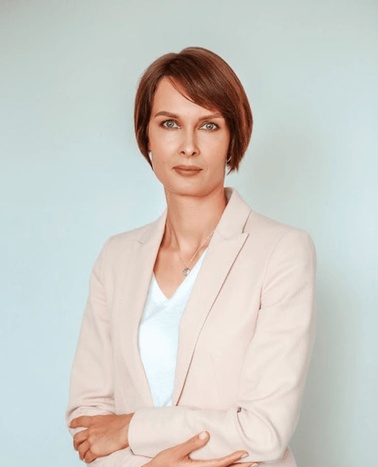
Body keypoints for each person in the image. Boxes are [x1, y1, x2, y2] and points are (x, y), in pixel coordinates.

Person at [66, 47, 316, 467]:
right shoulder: (117, 258)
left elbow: (263, 433)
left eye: (208, 126)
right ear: (146, 135)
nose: (188, 146)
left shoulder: (282, 251)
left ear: (233, 137)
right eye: (169, 124)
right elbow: (88, 423)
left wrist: (131, 428)